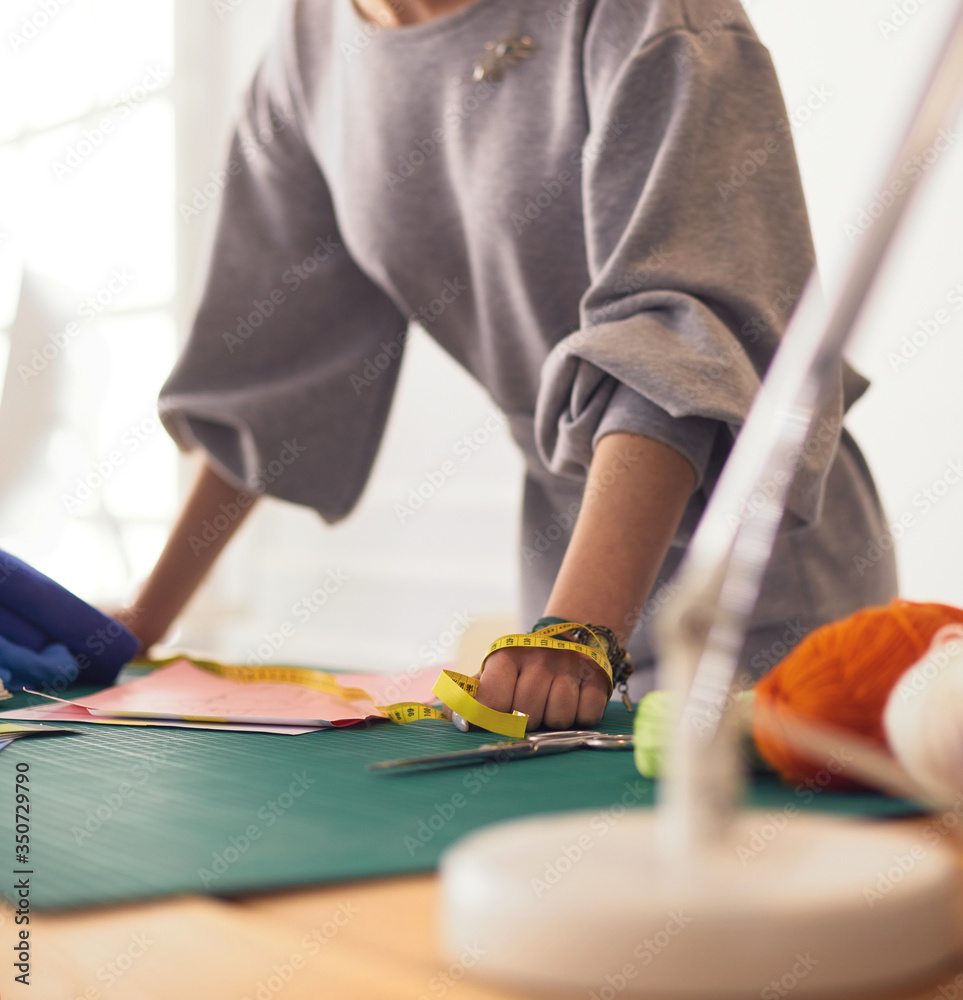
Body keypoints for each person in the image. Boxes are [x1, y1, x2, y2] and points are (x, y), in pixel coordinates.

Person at [116, 0, 897, 730]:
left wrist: (581, 629)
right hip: (564, 594)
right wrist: (137, 626)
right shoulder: (310, 46)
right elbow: (272, 369)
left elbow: (680, 343)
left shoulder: (647, 18)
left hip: (756, 582)